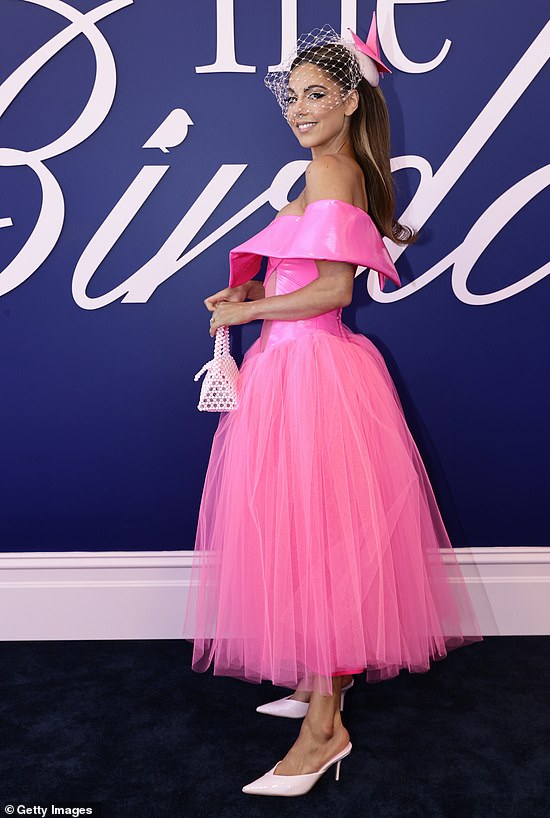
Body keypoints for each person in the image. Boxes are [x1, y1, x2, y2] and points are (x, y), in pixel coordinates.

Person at [183, 15, 483, 797]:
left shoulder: (331, 172)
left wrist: (242, 315)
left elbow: (335, 289)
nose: (300, 110)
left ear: (352, 100)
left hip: (310, 372)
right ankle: (323, 686)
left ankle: (326, 730)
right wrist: (250, 287)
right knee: (310, 536)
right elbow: (298, 269)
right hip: (297, 368)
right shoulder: (323, 171)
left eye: (317, 95)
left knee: (315, 540)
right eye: (292, 98)